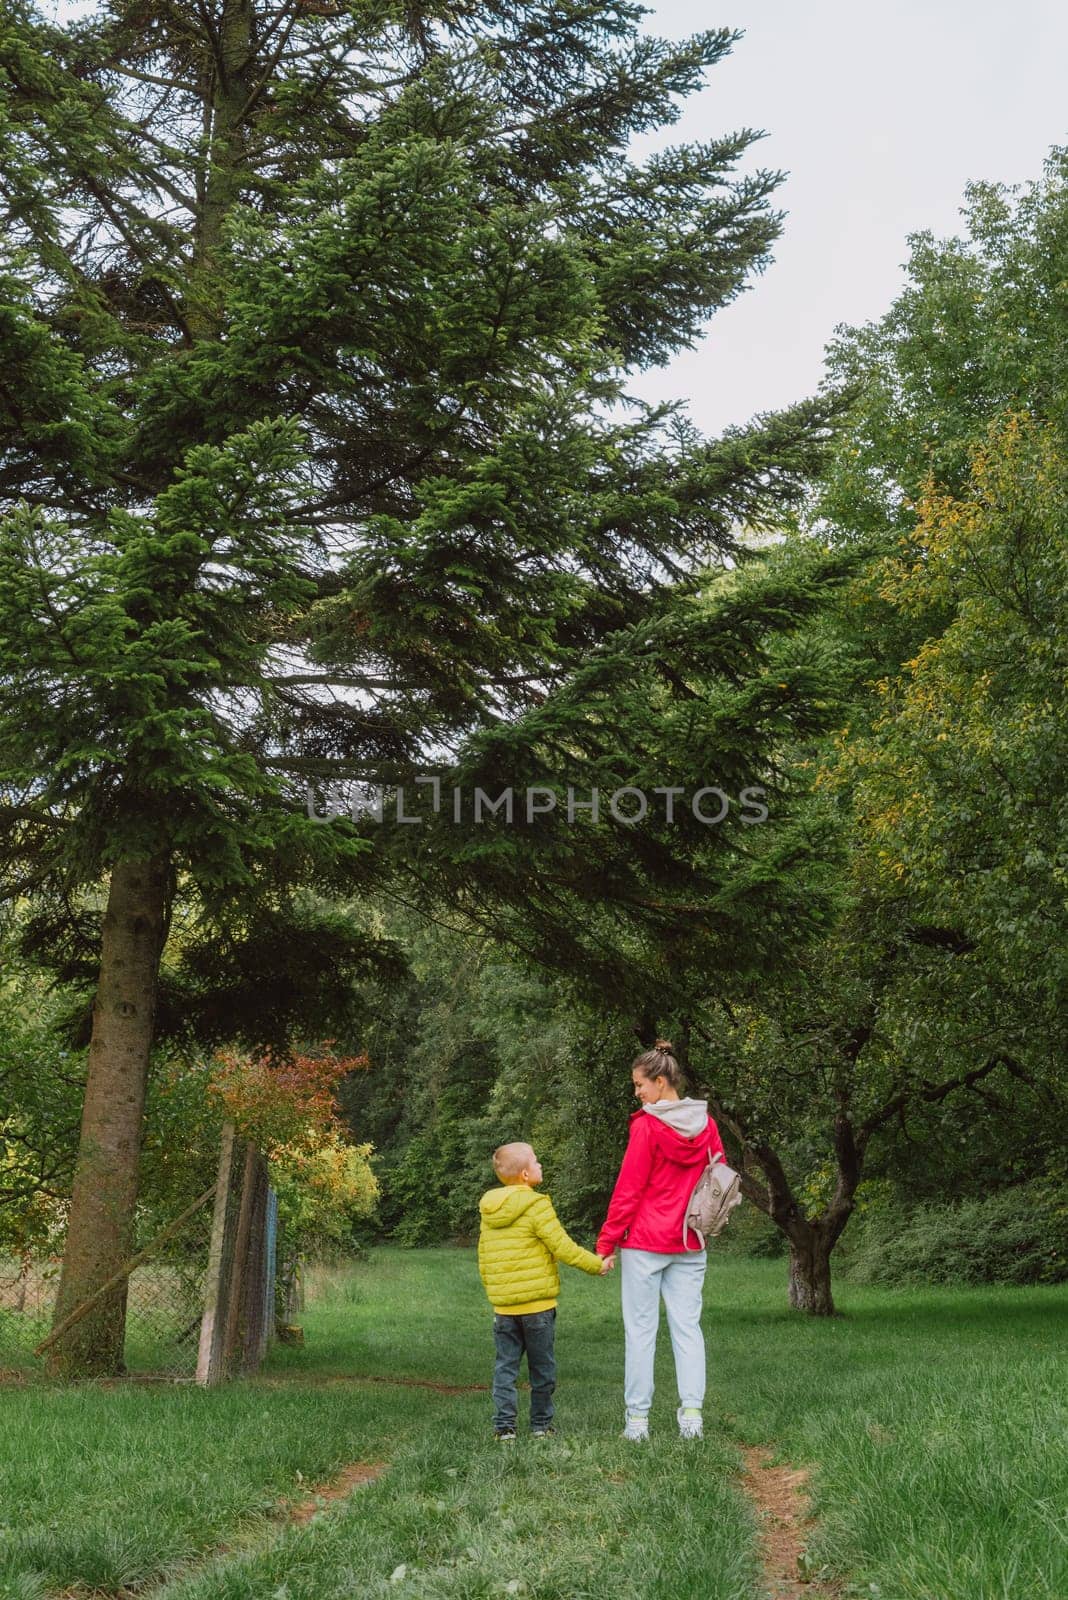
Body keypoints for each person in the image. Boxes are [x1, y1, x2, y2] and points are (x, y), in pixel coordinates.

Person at [596, 1039, 725, 1441]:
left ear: (660, 1081)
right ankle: (692, 1418)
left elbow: (629, 1189)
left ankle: (637, 1422)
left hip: (646, 1241)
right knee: (688, 1329)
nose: (637, 1093)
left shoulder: (647, 1125)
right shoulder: (706, 1124)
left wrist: (607, 1241)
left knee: (640, 1331)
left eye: (639, 1085)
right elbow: (719, 1177)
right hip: (690, 1240)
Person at [478, 1140, 613, 1441]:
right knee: (542, 1370)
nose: (540, 1166)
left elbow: (484, 1257)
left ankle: (505, 1429)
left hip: (504, 1310)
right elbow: (562, 1247)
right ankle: (540, 1426)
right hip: (538, 1307)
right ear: (525, 1175)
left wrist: (494, 1292)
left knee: (505, 1370)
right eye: (536, 1162)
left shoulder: (489, 1210)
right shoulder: (537, 1205)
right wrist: (596, 1265)